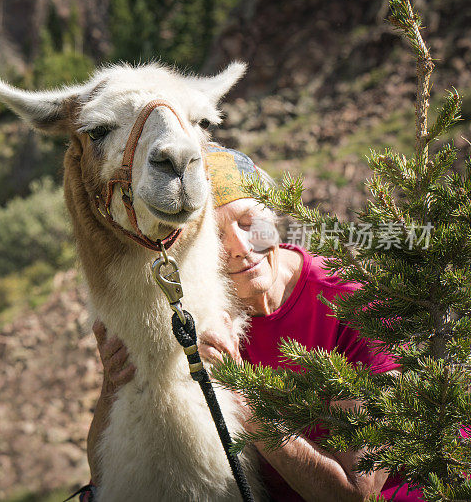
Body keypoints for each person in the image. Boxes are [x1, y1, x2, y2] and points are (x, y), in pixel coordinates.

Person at [85, 146, 420, 501]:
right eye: (214, 238)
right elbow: (99, 476)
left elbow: (353, 493)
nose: (241, 247)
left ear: (272, 216)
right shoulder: (193, 320)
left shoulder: (354, 300)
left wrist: (243, 397)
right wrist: (114, 385)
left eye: (249, 222)